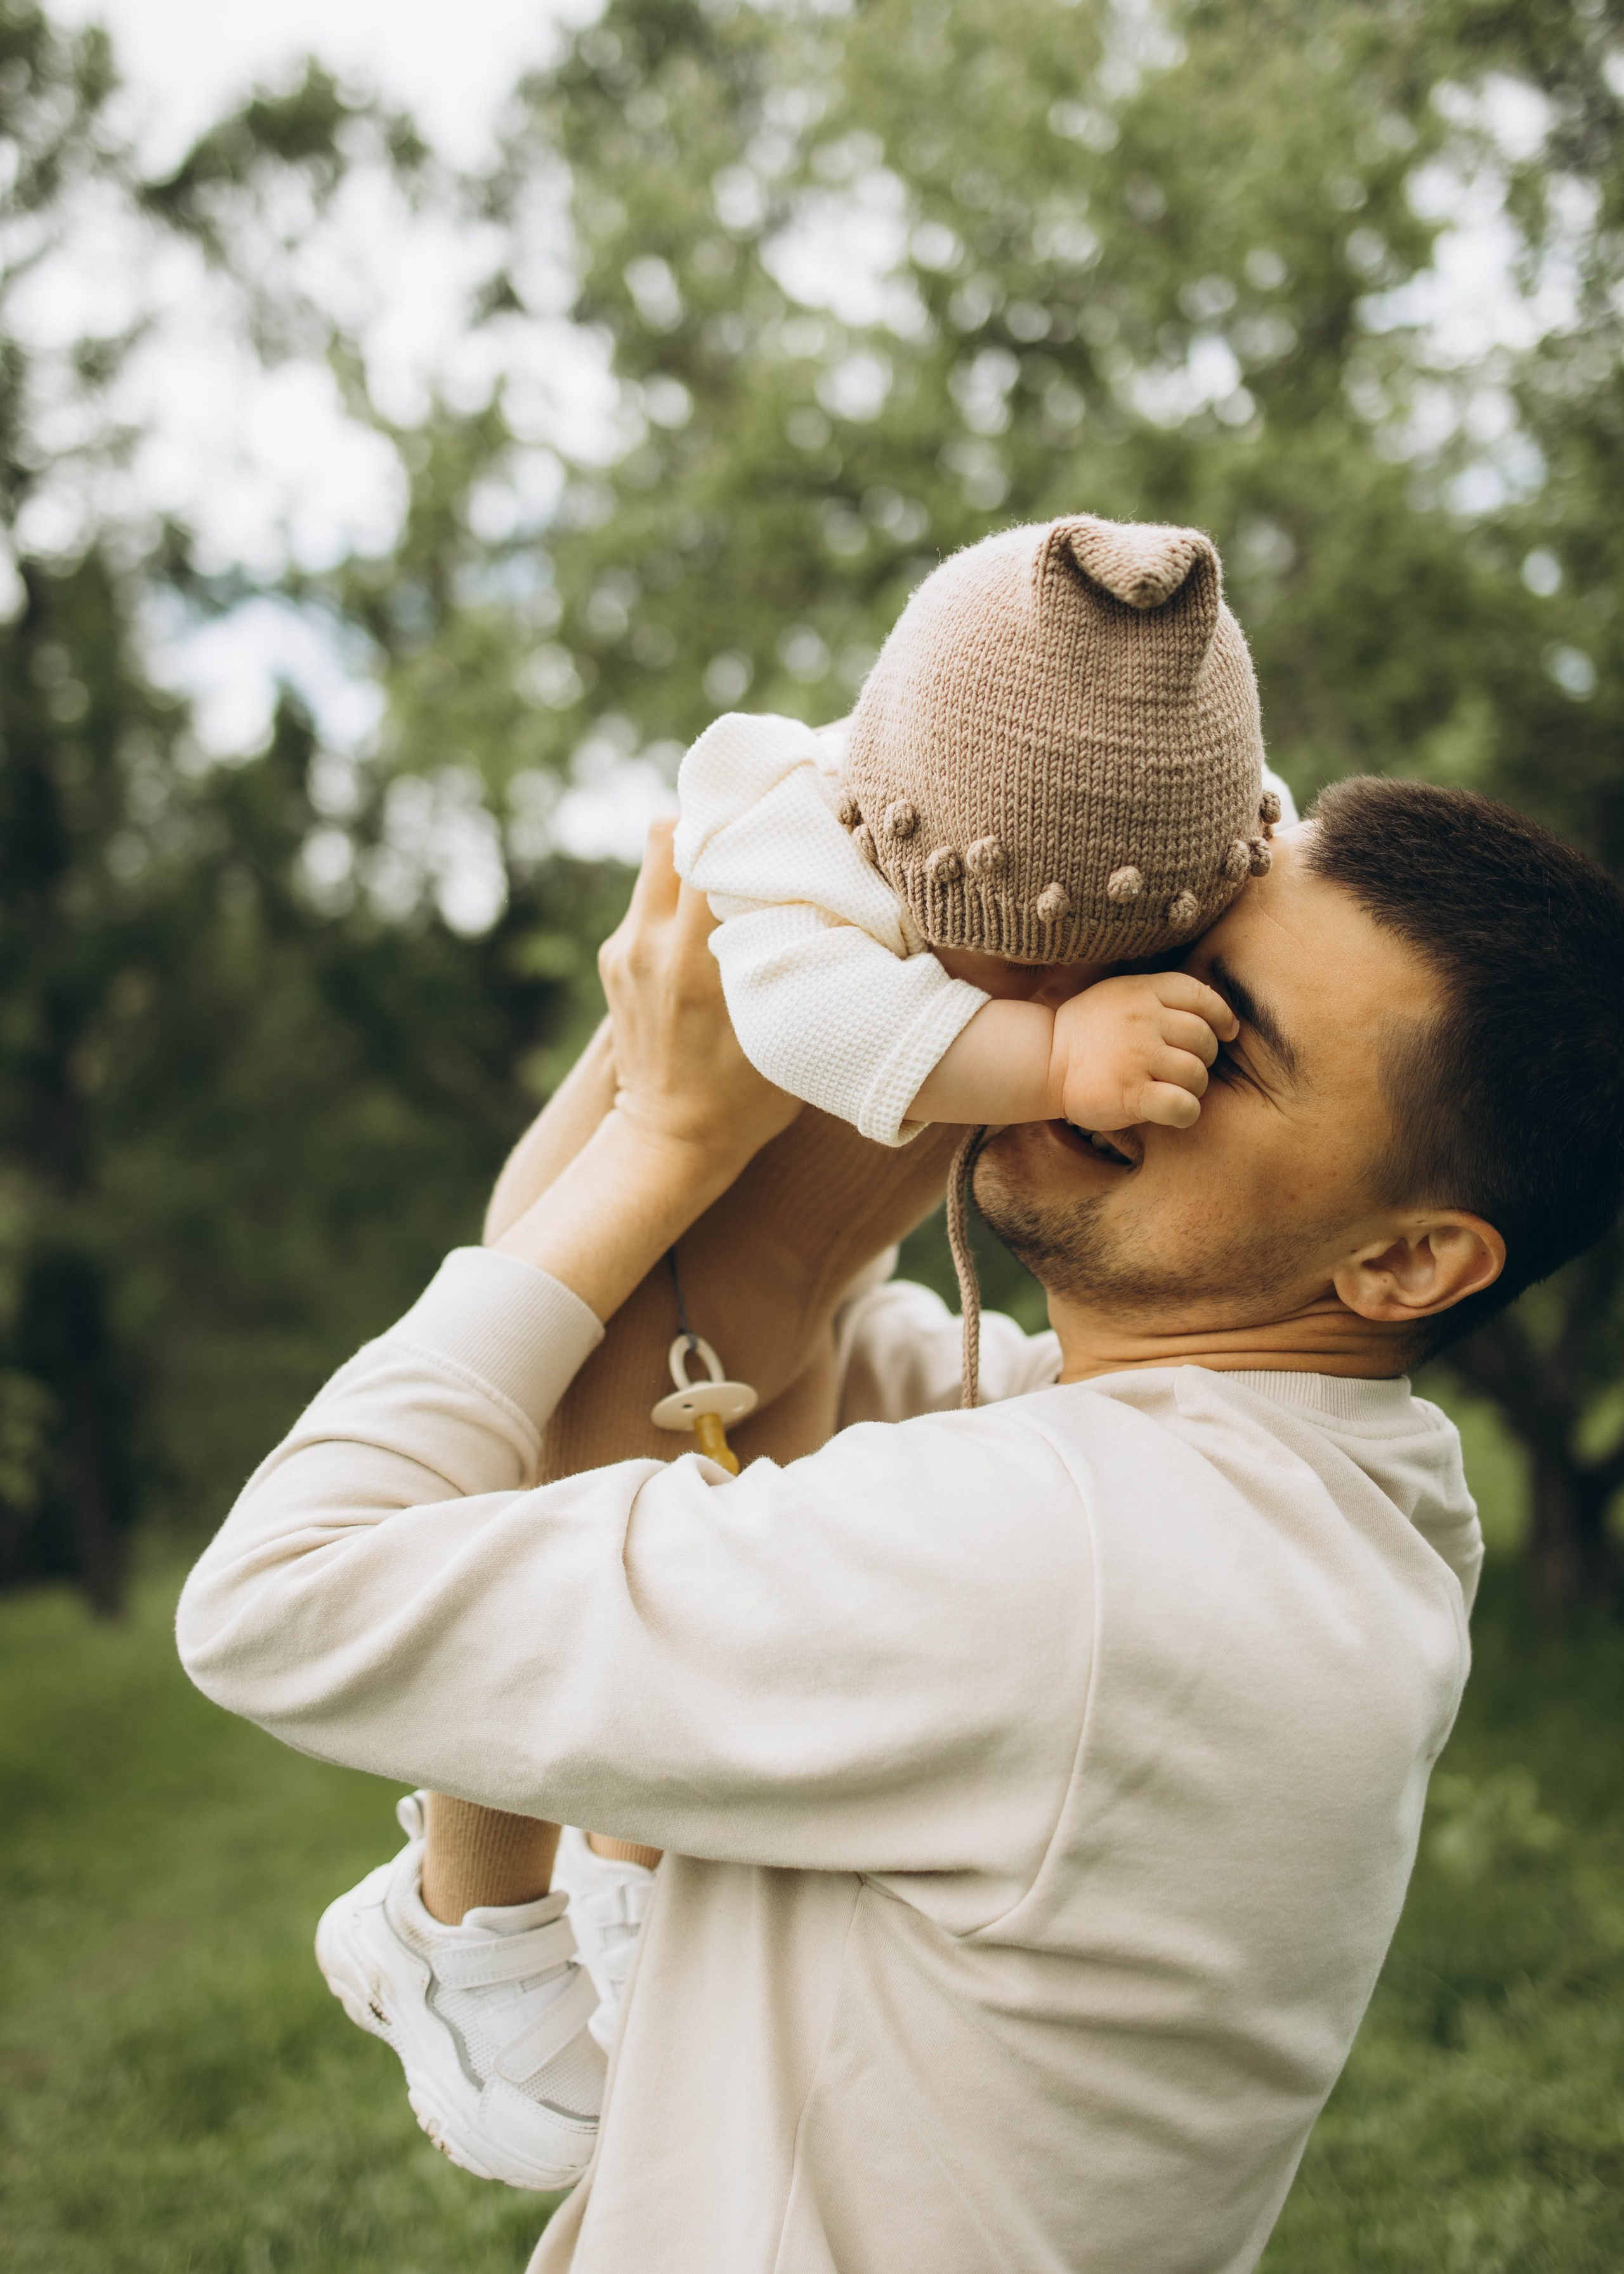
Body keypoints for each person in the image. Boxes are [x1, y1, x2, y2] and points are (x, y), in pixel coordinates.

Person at [178, 775, 1624, 2273]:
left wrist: (661, 1140)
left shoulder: (1078, 1561)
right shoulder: (1331, 1498)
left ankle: (486, 1943)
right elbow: (736, 1332)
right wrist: (967, 930)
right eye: (1154, 960)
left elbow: (282, 1598)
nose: (1128, 1030)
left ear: (1407, 1261)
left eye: (1221, 1040)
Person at [303, 509, 1292, 2192]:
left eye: (1113, 965)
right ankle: (456, 1927)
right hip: (626, 1295)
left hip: (799, 1318)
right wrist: (1053, 1054)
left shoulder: (1125, 841)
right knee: (567, 1622)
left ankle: (638, 1889)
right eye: (1022, 958)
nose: (1056, 989)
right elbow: (805, 1022)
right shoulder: (796, 834)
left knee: (712, 1631)